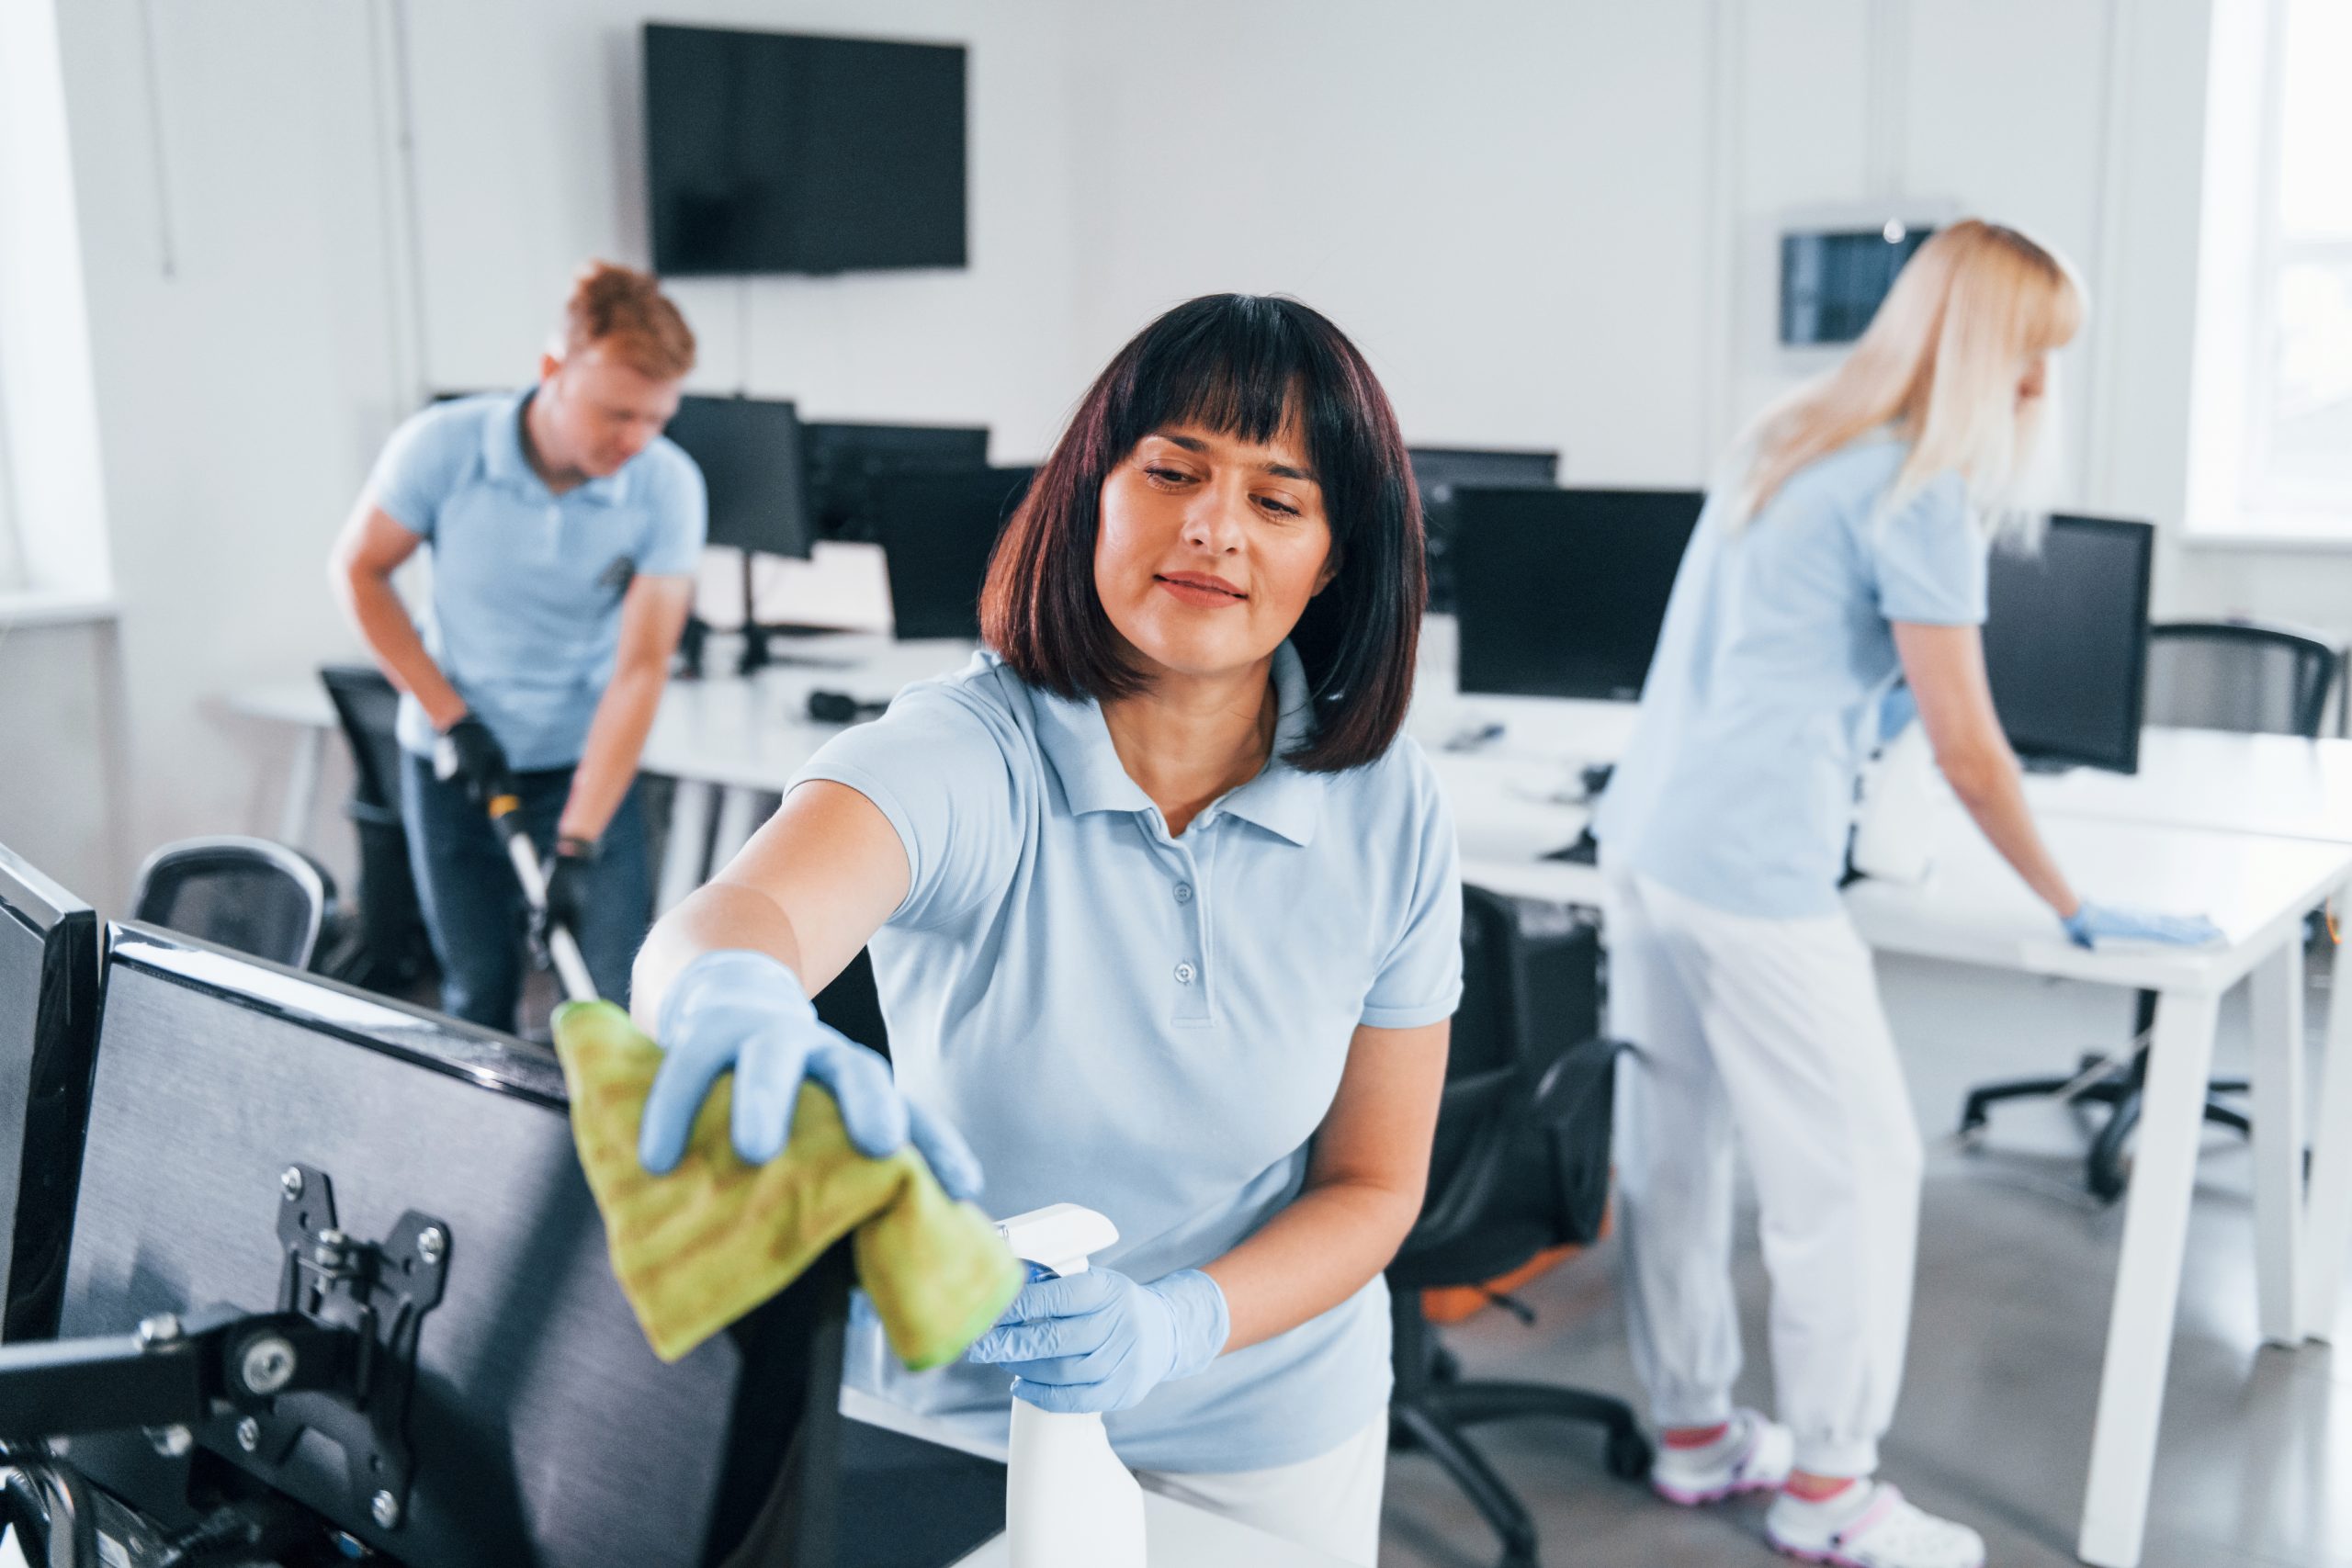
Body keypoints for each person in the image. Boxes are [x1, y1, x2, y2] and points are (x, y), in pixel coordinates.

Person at [629, 294, 1461, 1566]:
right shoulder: (975, 751)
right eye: (1172, 470)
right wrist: (723, 997)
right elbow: (731, 917)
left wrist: (1178, 1322)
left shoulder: (1389, 798)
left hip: (1273, 1434)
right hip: (970, 1435)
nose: (1212, 527)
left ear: (1336, 555)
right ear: (1092, 497)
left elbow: (1376, 1181)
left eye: (1277, 500)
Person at [1591, 220, 2220, 1568]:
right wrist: (2068, 900)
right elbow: (1972, 746)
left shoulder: (1792, 436)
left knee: (1677, 1148)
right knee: (1860, 1165)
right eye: (2038, 359)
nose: (2046, 389)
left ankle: (1695, 1432)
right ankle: (1829, 1487)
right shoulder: (1921, 487)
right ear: (1991, 351)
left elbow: (1756, 650)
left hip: (1649, 833)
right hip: (1752, 864)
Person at [330, 260, 706, 1029]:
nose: (636, 439)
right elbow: (359, 572)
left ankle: (589, 1151)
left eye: (656, 419)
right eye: (615, 413)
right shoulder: (441, 448)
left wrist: (577, 842)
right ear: (552, 371)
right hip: (452, 765)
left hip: (583, 769)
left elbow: (639, 670)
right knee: (475, 996)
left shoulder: (666, 487)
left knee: (609, 1003)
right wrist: (449, 716)